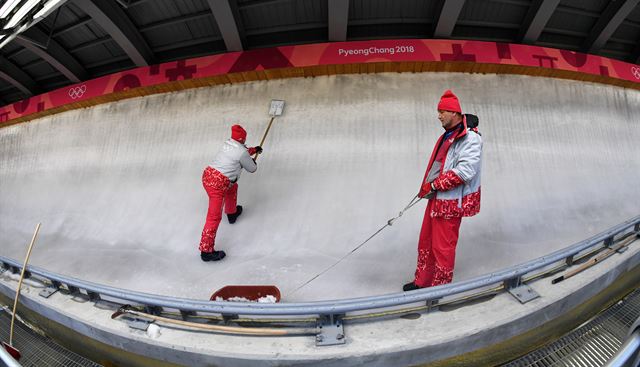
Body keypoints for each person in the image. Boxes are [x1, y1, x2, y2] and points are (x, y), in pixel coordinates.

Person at [404, 90, 483, 291]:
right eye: (438, 111)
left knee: (443, 248)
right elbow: (438, 165)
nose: (438, 115)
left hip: (451, 202)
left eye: (442, 111)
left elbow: (466, 171)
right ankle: (422, 282)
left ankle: (439, 290)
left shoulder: (470, 138)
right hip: (436, 198)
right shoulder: (447, 136)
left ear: (455, 112)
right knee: (427, 242)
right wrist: (428, 188)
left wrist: (434, 185)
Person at [199, 124, 262, 262]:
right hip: (217, 184)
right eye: (244, 139)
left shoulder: (229, 142)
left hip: (208, 175)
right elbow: (252, 168)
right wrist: (252, 161)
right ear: (242, 138)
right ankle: (206, 251)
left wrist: (254, 150)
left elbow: (242, 152)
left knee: (232, 187)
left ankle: (232, 213)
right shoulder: (241, 151)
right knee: (214, 217)